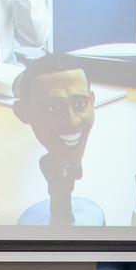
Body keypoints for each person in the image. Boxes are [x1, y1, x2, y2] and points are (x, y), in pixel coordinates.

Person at [12, 56, 96, 225]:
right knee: (60, 209)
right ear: (23, 112)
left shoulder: (71, 164)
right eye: (53, 108)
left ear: (92, 101)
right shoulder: (48, 164)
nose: (72, 121)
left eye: (80, 104)